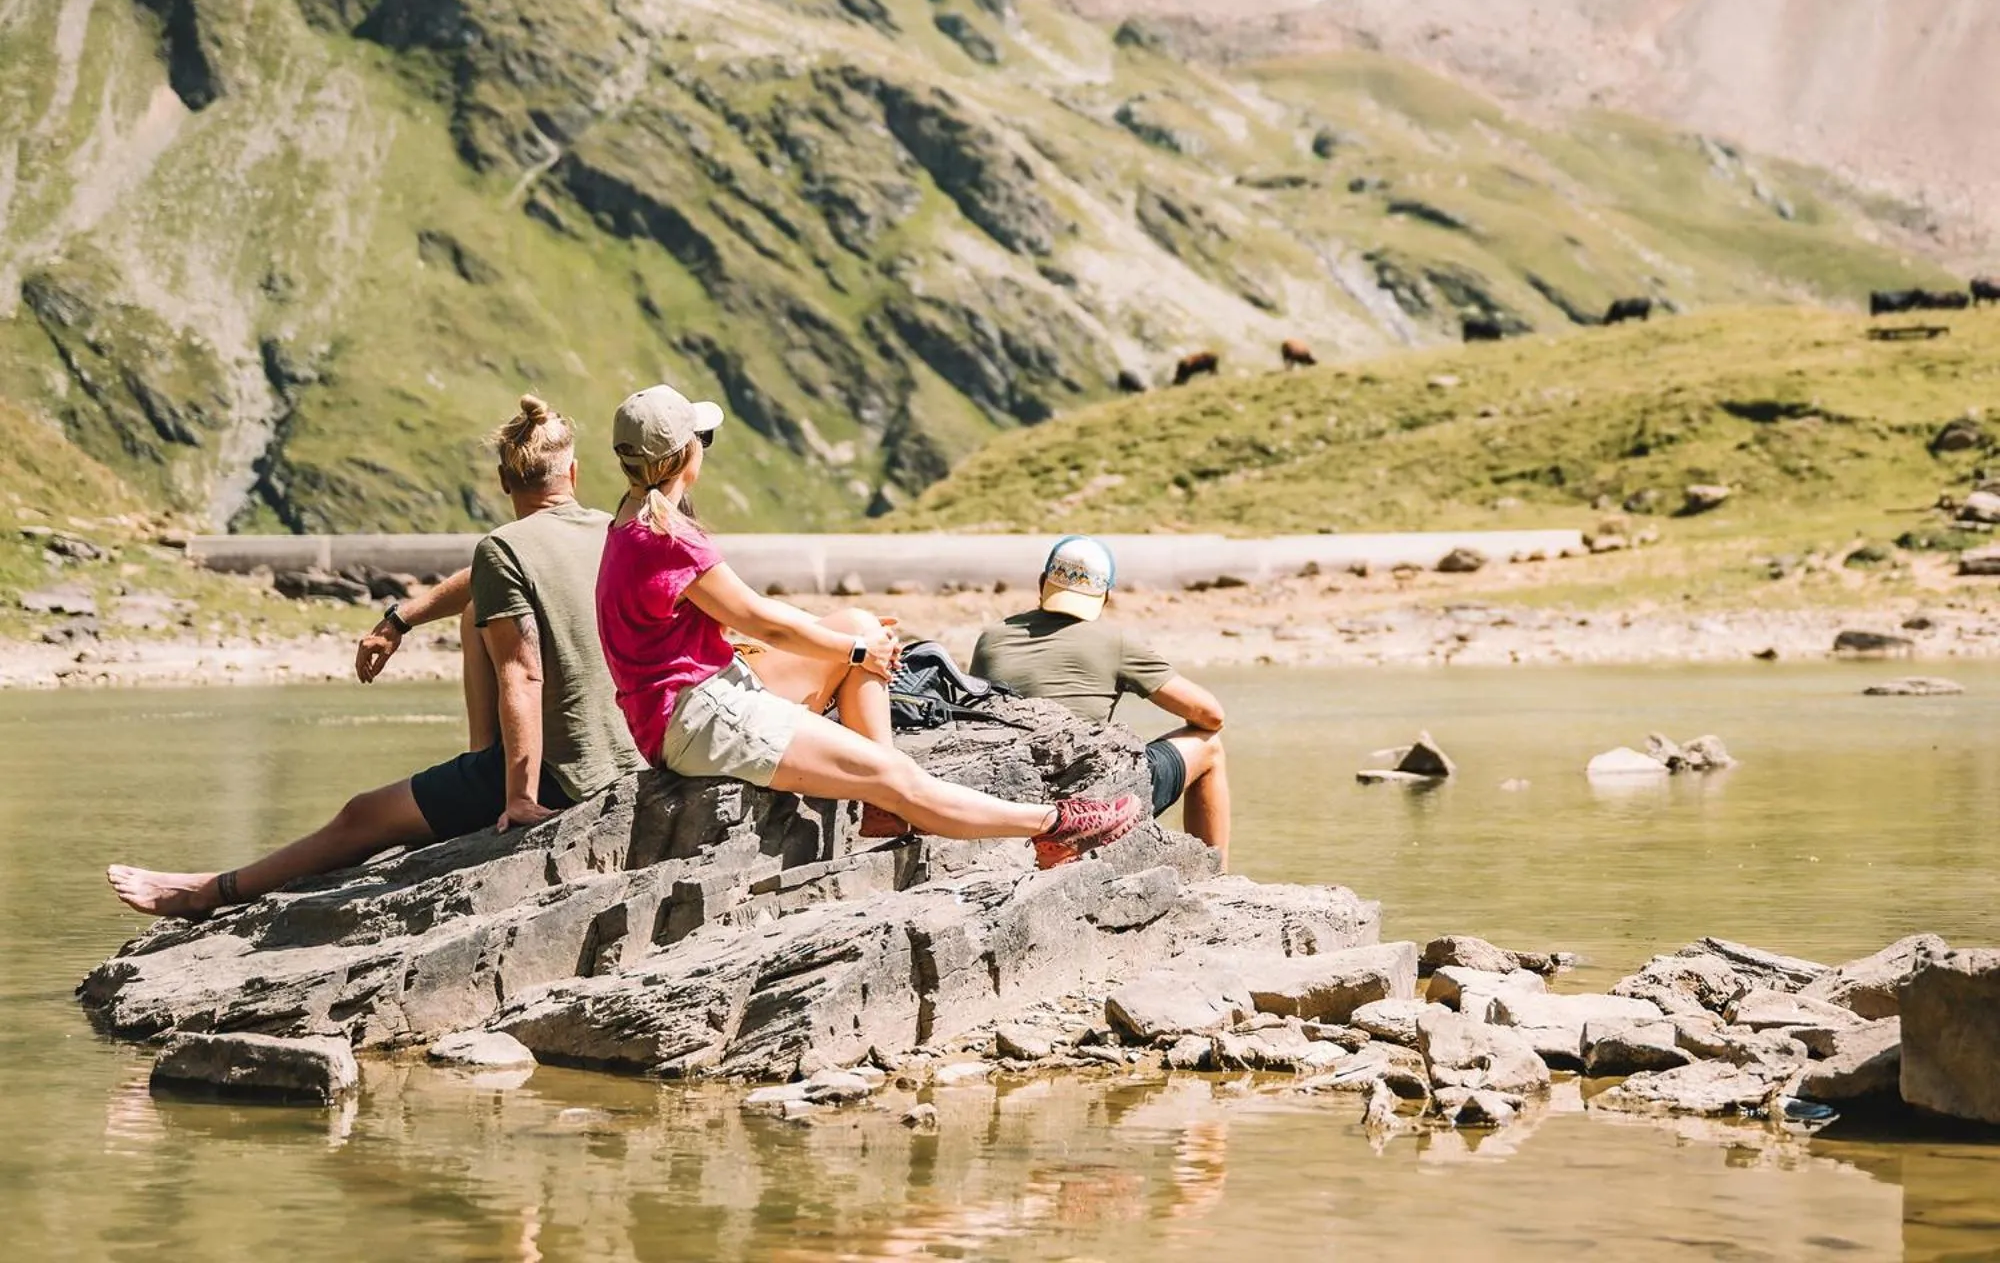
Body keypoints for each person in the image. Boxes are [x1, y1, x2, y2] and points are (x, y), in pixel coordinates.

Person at [107, 395, 644, 917]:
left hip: (560, 774)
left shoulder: (503, 548)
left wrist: (520, 798)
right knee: (477, 608)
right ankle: (482, 762)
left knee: (361, 815)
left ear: (504, 481)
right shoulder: (612, 527)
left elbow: (523, 675)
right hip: (625, 751)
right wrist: (401, 619)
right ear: (572, 474)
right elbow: (487, 580)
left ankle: (211, 891)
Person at [593, 383, 1142, 867]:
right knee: (894, 767)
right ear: (685, 455)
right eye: (702, 441)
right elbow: (763, 621)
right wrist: (855, 654)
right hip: (699, 716)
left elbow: (747, 619)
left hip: (697, 696)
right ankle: (1052, 826)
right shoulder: (668, 538)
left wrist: (851, 639)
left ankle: (883, 807)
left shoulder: (630, 520)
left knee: (857, 622)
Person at [970, 536, 1231, 867]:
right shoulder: (1116, 642)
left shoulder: (991, 638)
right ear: (1105, 596)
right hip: (1090, 803)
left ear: (1042, 582)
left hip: (1013, 797)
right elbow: (1211, 715)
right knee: (1209, 746)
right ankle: (1216, 875)